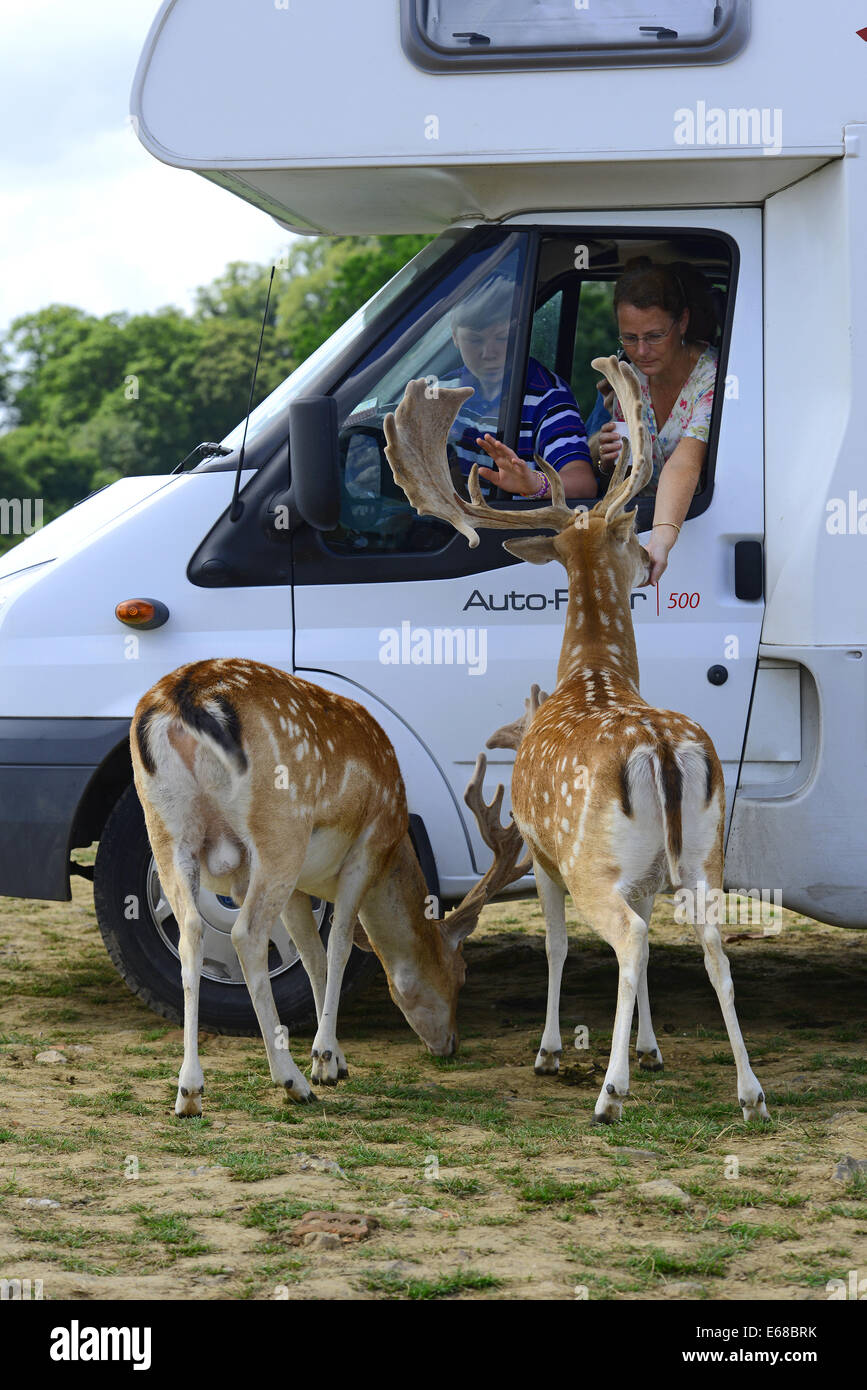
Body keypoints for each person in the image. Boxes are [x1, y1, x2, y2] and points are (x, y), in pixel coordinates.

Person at [591, 258, 718, 583]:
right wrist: (605, 460)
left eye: (655, 336)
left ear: (683, 322)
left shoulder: (712, 377)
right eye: (629, 338)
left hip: (700, 533)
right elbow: (626, 471)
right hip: (639, 530)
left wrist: (660, 541)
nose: (642, 351)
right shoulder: (628, 377)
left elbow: (685, 464)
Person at [444, 277, 597, 500]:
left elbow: (583, 483)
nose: (489, 353)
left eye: (502, 338)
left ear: (520, 334)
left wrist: (535, 484)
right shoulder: (442, 391)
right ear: (455, 336)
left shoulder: (548, 398)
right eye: (474, 340)